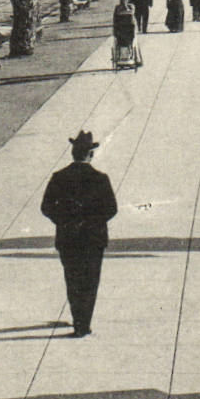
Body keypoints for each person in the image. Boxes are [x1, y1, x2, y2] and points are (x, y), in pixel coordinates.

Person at [40, 131, 118, 337]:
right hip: (93, 238)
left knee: (73, 279)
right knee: (90, 280)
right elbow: (111, 209)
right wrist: (91, 221)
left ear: (73, 153)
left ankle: (77, 320)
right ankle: (84, 324)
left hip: (68, 237)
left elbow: (46, 207)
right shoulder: (100, 178)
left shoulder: (59, 177)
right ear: (90, 155)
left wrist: (65, 220)